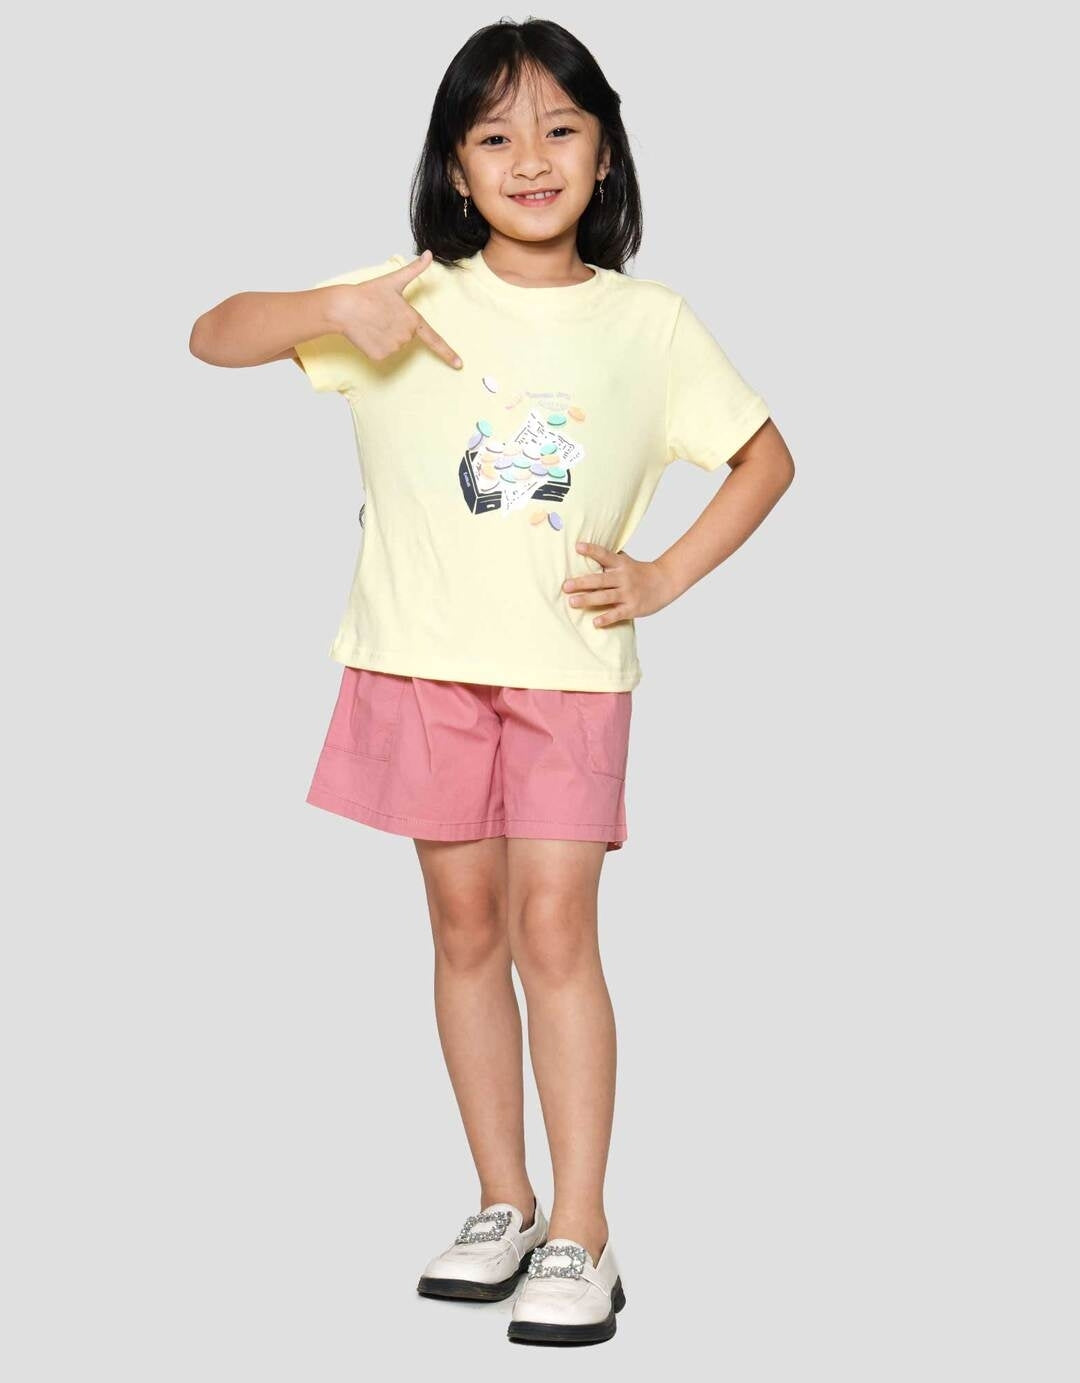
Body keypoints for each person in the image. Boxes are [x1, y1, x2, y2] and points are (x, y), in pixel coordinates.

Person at [189, 17, 794, 1348]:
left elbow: (765, 457)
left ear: (605, 152)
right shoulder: (402, 300)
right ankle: (502, 1202)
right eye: (495, 134)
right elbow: (211, 333)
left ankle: (582, 1227)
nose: (531, 157)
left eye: (561, 128)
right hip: (421, 665)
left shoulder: (648, 321)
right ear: (455, 167)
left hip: (567, 675)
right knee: (465, 930)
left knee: (554, 930)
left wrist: (663, 576)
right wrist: (334, 309)